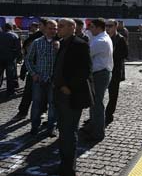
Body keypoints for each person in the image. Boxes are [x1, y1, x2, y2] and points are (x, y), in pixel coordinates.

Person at [53, 18, 94, 176]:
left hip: (70, 95)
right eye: (58, 26)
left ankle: (69, 169)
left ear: (72, 27)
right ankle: (64, 165)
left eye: (61, 26)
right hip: (60, 94)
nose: (58, 29)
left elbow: (85, 71)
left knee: (69, 133)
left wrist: (67, 87)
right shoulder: (63, 42)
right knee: (63, 131)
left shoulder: (79, 44)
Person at [81, 18, 113, 141]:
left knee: (97, 104)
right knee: (94, 103)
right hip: (100, 73)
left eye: (92, 27)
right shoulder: (101, 38)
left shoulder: (100, 40)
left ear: (98, 28)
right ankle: (93, 127)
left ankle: (98, 133)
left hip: (100, 74)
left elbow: (86, 54)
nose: (90, 29)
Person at [25, 19, 58, 136]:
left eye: (55, 28)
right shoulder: (37, 42)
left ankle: (51, 128)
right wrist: (33, 74)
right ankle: (34, 126)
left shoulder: (59, 43)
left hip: (53, 80)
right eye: (50, 28)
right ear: (45, 29)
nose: (53, 31)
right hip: (39, 79)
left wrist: (58, 49)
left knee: (53, 104)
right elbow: (28, 60)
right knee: (37, 104)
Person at [14, 18, 48, 120]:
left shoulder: (52, 37)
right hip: (34, 68)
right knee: (28, 92)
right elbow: (26, 49)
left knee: (44, 93)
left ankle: (43, 111)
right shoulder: (36, 37)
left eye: (40, 25)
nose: (39, 27)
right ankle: (22, 112)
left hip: (46, 69)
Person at [105, 19, 128, 126]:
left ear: (115, 27)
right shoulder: (103, 38)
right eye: (106, 25)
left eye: (110, 25)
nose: (107, 27)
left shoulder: (120, 39)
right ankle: (97, 115)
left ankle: (109, 114)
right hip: (103, 70)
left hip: (115, 70)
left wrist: (113, 54)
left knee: (113, 94)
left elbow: (125, 54)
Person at [0, 23, 21, 97]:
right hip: (10, 58)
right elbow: (18, 48)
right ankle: (10, 92)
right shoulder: (14, 35)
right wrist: (19, 58)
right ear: (11, 28)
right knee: (10, 76)